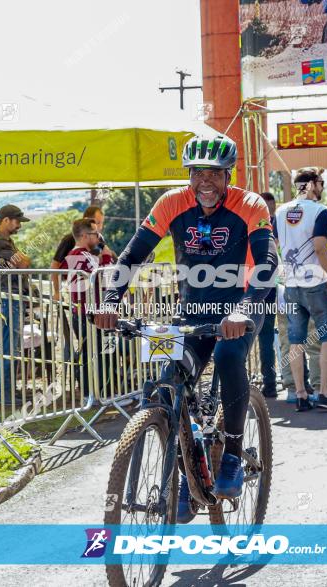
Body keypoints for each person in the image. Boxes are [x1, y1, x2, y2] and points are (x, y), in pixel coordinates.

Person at [94, 134, 278, 521]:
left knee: (229, 358)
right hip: (192, 309)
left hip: (242, 304)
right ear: (188, 176)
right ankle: (185, 473)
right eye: (197, 173)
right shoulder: (172, 203)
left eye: (213, 173)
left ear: (228, 175)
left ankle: (230, 454)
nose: (204, 182)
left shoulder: (250, 205)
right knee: (169, 383)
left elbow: (267, 264)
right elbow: (133, 255)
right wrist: (111, 300)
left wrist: (244, 310)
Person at [274, 167, 327, 412]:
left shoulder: (281, 211)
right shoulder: (320, 210)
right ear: (313, 183)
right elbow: (320, 248)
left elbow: (275, 245)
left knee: (296, 339)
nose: (322, 187)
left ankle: (301, 394)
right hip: (315, 283)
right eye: (322, 183)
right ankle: (324, 393)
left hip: (292, 284)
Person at [0, 204, 32, 404]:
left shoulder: (6, 241)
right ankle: (3, 395)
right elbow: (22, 262)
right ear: (5, 220)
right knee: (8, 348)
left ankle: (7, 393)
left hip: (12, 296)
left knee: (11, 348)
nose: (19, 226)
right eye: (17, 222)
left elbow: (23, 261)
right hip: (8, 297)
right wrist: (23, 258)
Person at [65, 218, 114, 398]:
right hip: (87, 312)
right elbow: (105, 274)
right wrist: (106, 255)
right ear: (85, 235)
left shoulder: (86, 255)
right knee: (91, 354)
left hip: (94, 311)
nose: (98, 236)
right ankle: (91, 392)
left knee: (101, 352)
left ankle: (101, 391)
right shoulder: (77, 255)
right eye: (95, 233)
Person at [257, 192, 279, 398]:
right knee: (266, 337)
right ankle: (268, 382)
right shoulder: (272, 224)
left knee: (266, 337)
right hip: (258, 287)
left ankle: (269, 382)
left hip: (269, 288)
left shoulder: (274, 223)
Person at [51, 206, 116, 270]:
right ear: (87, 220)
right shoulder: (69, 239)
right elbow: (55, 265)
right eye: (98, 223)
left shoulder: (100, 239)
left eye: (102, 223)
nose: (100, 227)